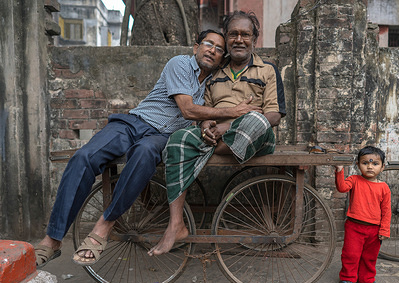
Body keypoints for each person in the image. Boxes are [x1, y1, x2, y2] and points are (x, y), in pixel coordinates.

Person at [34, 29, 262, 268]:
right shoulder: (180, 64)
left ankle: (103, 226)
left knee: (144, 154)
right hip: (134, 123)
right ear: (196, 47)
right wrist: (232, 112)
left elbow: (205, 115)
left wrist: (211, 125)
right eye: (208, 44)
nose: (212, 50)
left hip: (163, 136)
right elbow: (187, 109)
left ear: (222, 58)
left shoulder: (215, 84)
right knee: (84, 157)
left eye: (218, 49)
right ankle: (52, 239)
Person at [148, 10, 286, 256]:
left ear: (255, 38)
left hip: (256, 137)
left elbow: (273, 115)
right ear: (227, 38)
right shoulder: (215, 74)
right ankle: (176, 224)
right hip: (217, 138)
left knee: (254, 119)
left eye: (245, 34)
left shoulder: (267, 70)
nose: (239, 40)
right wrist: (206, 126)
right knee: (178, 139)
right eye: (233, 34)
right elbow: (206, 110)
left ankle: (207, 150)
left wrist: (227, 126)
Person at [335, 146, 391, 283]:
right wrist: (339, 169)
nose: (370, 167)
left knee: (369, 257)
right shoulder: (354, 180)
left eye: (375, 163)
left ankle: (366, 279)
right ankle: (347, 278)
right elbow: (341, 187)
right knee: (351, 254)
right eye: (365, 163)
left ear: (383, 166)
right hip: (354, 227)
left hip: (374, 230)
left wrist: (384, 229)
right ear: (358, 164)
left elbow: (386, 211)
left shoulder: (384, 188)